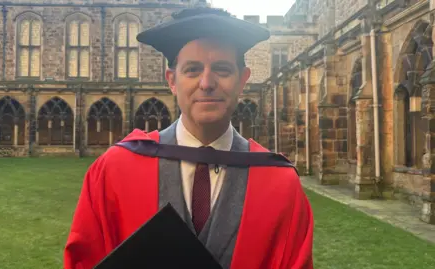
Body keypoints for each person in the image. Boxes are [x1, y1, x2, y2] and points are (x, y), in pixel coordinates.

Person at [63, 7, 314, 269]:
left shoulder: (280, 184)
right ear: (172, 80)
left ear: (243, 80)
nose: (206, 82)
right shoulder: (114, 171)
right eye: (192, 70)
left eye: (222, 69)